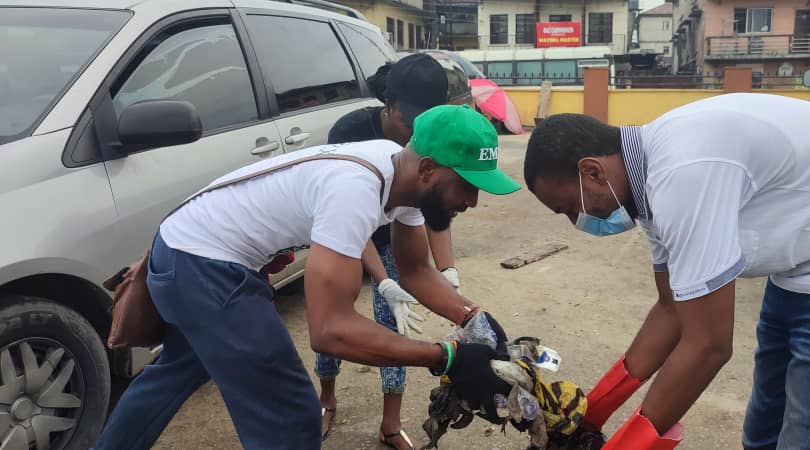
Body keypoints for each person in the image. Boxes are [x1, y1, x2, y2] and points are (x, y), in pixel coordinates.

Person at [522, 93, 810, 450]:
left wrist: (624, 445)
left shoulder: (683, 172)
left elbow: (707, 345)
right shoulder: (645, 183)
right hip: (809, 265)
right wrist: (589, 416)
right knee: (763, 434)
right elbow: (672, 309)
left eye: (569, 208)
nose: (575, 221)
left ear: (592, 171)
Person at [95, 104, 520, 450]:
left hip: (184, 247)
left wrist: (472, 318)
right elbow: (330, 330)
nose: (473, 200)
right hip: (203, 266)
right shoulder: (353, 190)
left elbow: (415, 269)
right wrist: (446, 357)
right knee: (291, 414)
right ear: (427, 169)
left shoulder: (402, 175)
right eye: (466, 184)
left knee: (178, 370)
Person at [316, 53, 472, 448]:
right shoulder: (352, 133)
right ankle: (326, 400)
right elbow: (352, 222)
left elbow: (432, 209)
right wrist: (384, 280)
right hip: (346, 235)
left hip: (394, 234)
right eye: (409, 122)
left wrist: (448, 275)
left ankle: (390, 423)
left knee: (394, 326)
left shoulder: (424, 146)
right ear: (388, 106)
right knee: (335, 316)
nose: (414, 133)